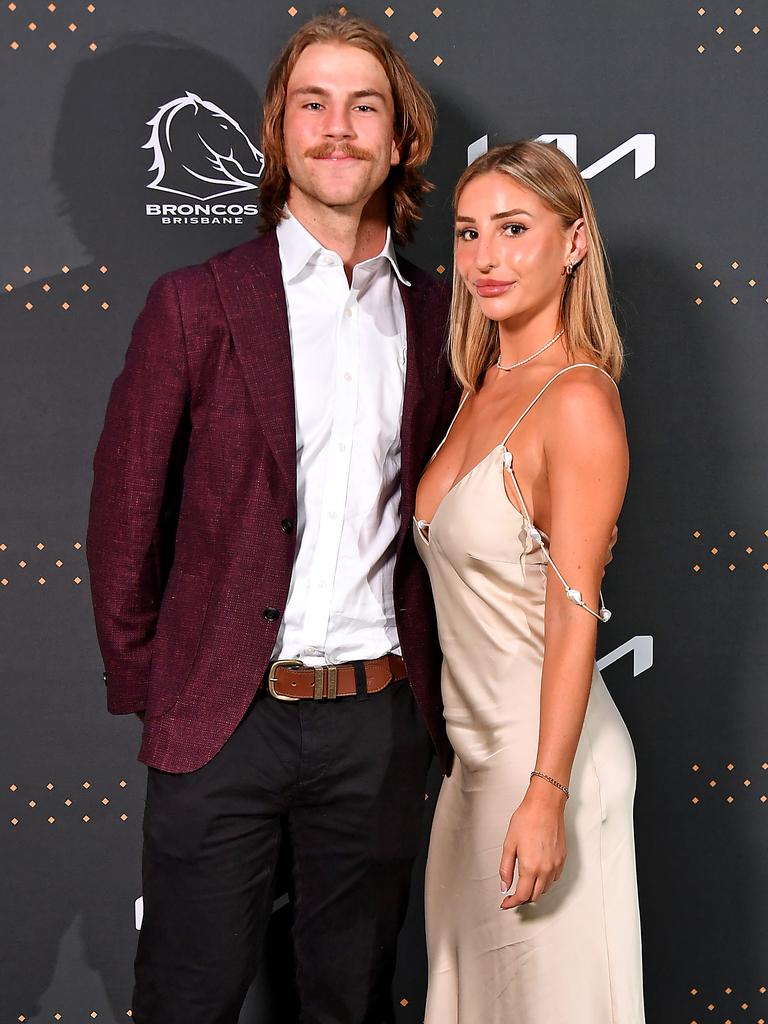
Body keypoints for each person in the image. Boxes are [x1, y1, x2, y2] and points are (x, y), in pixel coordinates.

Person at [86, 14, 458, 1023]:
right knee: (187, 997)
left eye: (364, 105)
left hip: (379, 724)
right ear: (277, 133)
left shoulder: (441, 317)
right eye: (313, 104)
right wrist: (161, 690)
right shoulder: (195, 302)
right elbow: (123, 518)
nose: (338, 128)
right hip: (223, 721)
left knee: (348, 999)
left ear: (400, 141)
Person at [413, 140, 645, 1023]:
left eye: (515, 229)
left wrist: (544, 793)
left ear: (575, 239)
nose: (486, 258)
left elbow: (576, 612)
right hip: (474, 766)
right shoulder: (481, 386)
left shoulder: (578, 398)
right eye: (469, 234)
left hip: (545, 763)